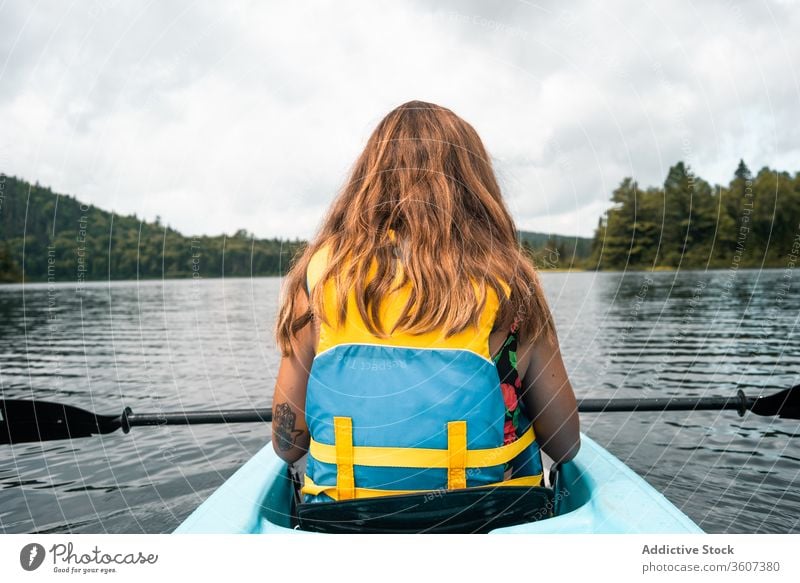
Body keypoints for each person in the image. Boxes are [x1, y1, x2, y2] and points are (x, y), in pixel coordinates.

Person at [272, 100, 579, 503]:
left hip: (345, 521)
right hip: (491, 519)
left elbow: (287, 444)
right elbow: (564, 443)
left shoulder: (318, 277)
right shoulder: (511, 281)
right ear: (473, 182)